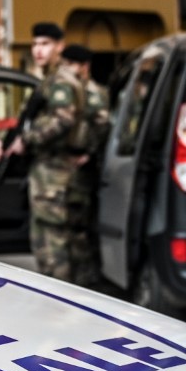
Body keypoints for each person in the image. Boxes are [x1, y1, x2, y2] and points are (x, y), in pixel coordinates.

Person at [0, 23, 87, 282]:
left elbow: (63, 119)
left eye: (45, 44)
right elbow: (27, 121)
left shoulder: (60, 81)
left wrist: (27, 141)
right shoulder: (48, 81)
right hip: (45, 177)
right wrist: (5, 139)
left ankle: (63, 312)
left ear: (60, 47)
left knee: (56, 253)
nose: (38, 50)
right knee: (45, 249)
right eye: (35, 44)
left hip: (56, 178)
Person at [62, 43, 109, 287]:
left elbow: (103, 127)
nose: (67, 70)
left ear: (84, 67)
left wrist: (88, 154)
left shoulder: (93, 92)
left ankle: (87, 282)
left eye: (71, 65)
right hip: (70, 171)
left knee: (82, 229)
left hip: (85, 171)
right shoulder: (72, 90)